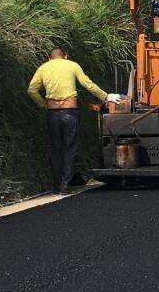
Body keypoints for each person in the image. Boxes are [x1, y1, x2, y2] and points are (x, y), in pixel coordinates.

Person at [28, 48, 109, 193]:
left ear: (49, 58)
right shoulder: (72, 65)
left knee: (56, 148)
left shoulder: (43, 68)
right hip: (70, 112)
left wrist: (43, 103)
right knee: (70, 148)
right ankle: (65, 184)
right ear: (65, 56)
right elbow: (88, 84)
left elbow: (31, 90)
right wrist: (105, 96)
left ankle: (56, 185)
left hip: (52, 113)